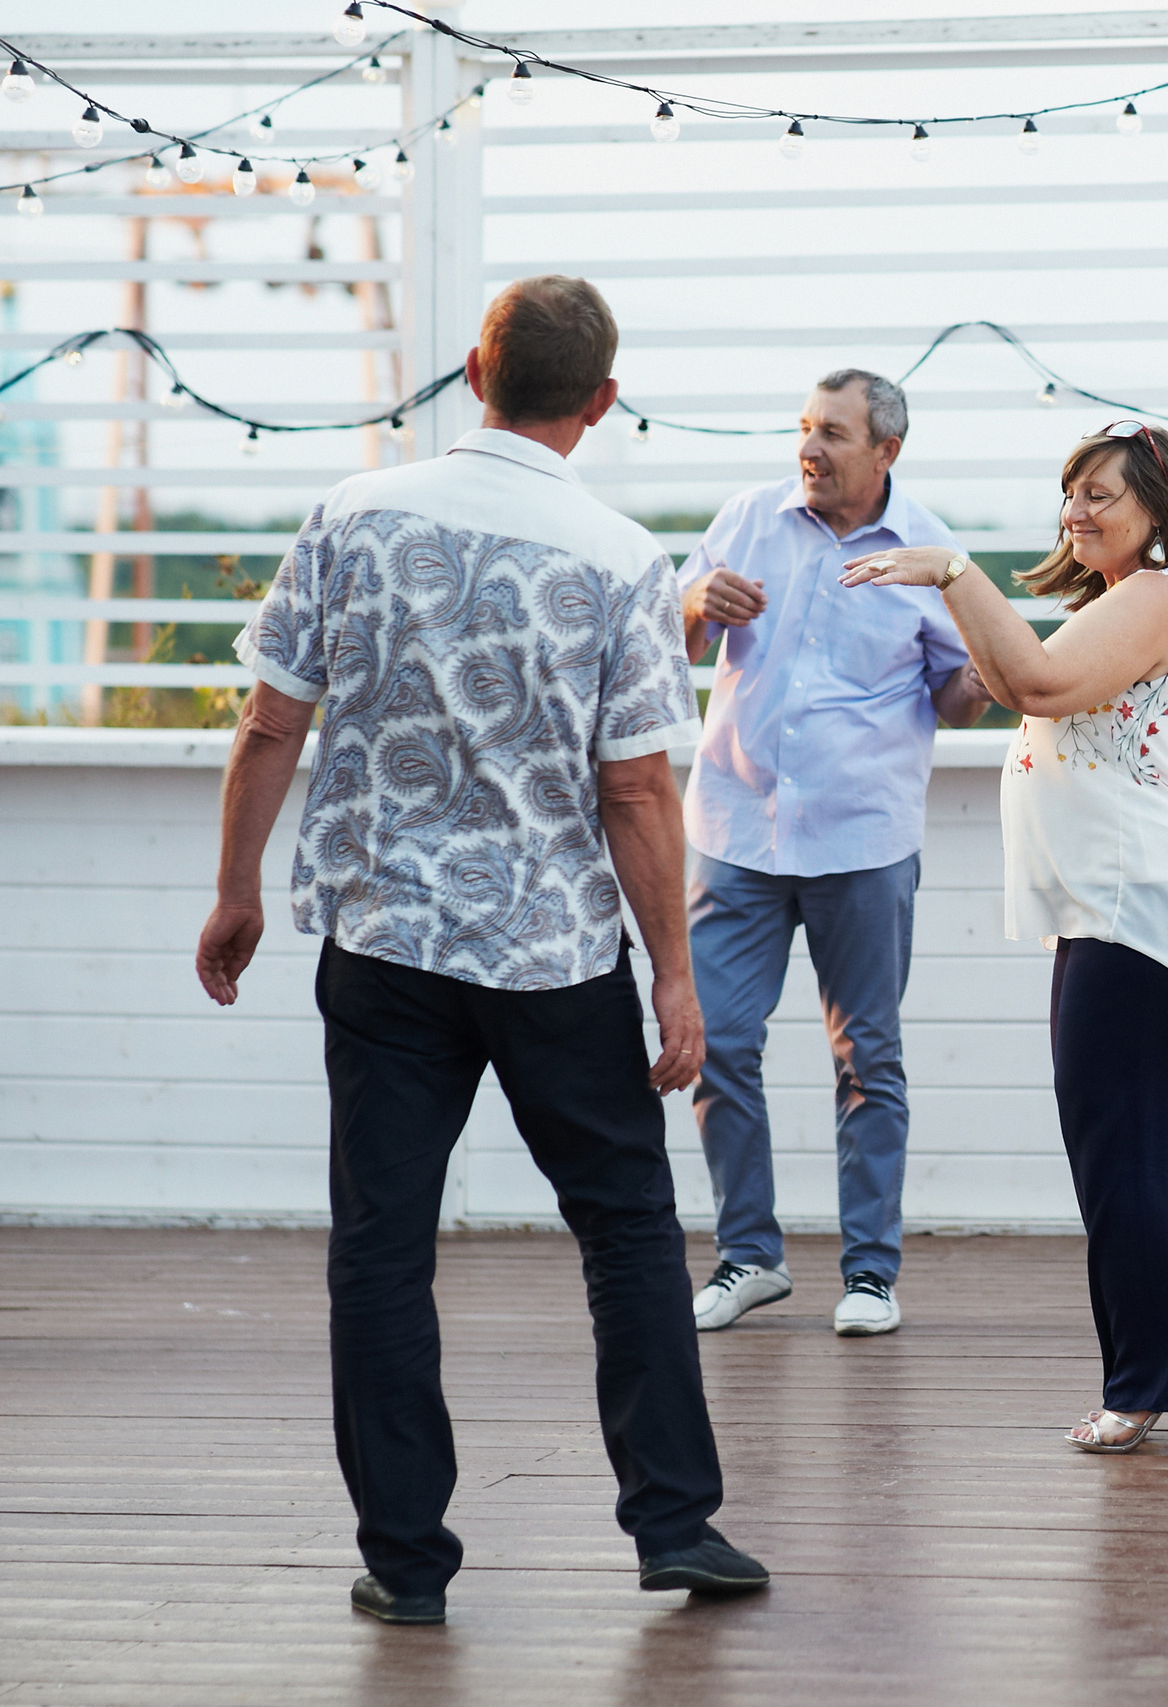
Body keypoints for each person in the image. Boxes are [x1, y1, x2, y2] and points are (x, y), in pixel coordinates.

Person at [197, 277, 766, 1623]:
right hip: (553, 952)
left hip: (383, 941)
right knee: (626, 1228)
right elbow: (635, 790)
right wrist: (675, 974)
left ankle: (405, 1560)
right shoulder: (621, 554)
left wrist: (236, 888)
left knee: (380, 1246)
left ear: (473, 372)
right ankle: (674, 1521)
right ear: (602, 400)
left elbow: (272, 722)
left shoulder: (354, 511)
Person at [840, 421, 1168, 1453]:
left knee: (1123, 1153)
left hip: (1136, 907)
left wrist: (951, 571)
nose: (1078, 512)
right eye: (1070, 494)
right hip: (1143, 899)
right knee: (1151, 1149)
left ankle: (1145, 1383)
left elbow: (1031, 684)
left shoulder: (1153, 596)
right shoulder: (1151, 607)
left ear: (1157, 507)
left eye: (1101, 495)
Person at [676, 368, 993, 1339]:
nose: (809, 450)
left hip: (861, 840)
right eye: (805, 430)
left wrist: (982, 678)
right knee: (716, 1044)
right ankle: (750, 1256)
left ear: (886, 451)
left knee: (867, 1059)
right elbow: (671, 645)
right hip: (735, 829)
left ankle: (869, 1274)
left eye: (834, 435)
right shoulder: (747, 517)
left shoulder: (932, 554)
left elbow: (954, 697)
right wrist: (695, 604)